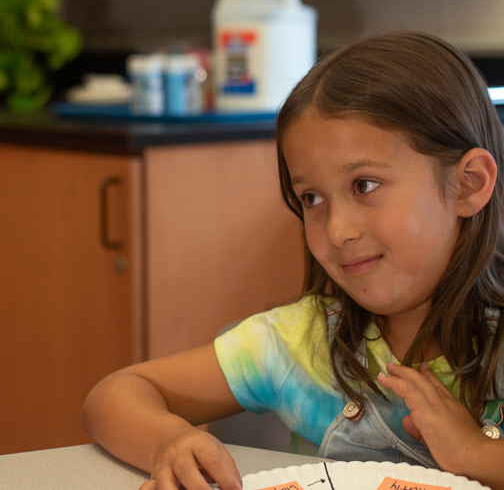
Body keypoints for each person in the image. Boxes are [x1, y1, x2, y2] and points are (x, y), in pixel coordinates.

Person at [82, 32, 504, 490]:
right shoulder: (298, 342)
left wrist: (476, 453)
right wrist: (167, 440)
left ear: (468, 184)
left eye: (364, 184)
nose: (337, 229)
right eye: (312, 197)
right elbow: (113, 396)